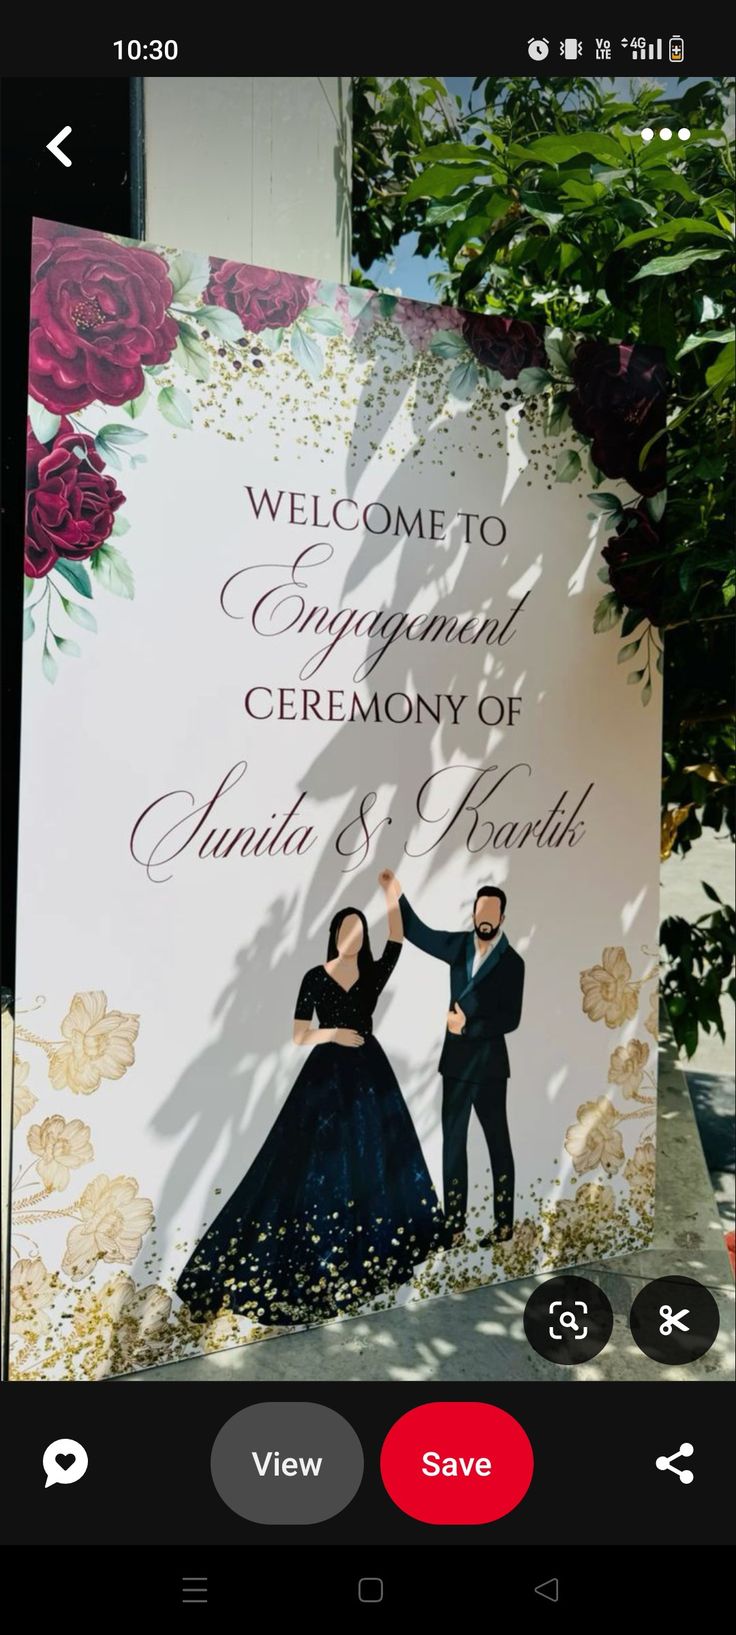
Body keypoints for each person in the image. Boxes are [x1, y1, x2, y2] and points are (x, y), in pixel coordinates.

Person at [176, 870, 443, 1326]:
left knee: (375, 1162)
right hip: (325, 1078)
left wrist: (392, 895)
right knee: (306, 1167)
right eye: (346, 930)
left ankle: (360, 1260)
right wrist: (334, 1033)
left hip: (369, 1077)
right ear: (334, 934)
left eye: (360, 931)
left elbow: (397, 938)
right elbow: (299, 1035)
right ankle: (314, 1258)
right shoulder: (314, 978)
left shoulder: (374, 973)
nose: (353, 937)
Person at [385, 873, 524, 1247]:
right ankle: (455, 1227)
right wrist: (396, 894)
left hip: (491, 1065)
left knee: (498, 1142)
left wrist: (469, 1027)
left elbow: (512, 1018)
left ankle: (504, 1224)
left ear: (502, 918)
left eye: (492, 913)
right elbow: (420, 933)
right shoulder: (459, 946)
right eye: (480, 910)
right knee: (453, 1143)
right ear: (474, 913)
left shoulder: (513, 963)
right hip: (457, 1065)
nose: (485, 918)